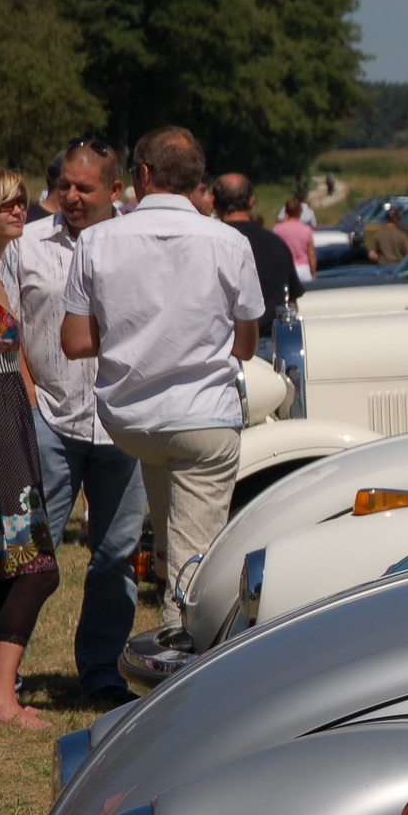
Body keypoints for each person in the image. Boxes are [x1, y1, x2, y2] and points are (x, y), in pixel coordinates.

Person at [60, 126, 261, 646]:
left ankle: (177, 624)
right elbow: (245, 345)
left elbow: (76, 342)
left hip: (131, 419)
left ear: (143, 176)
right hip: (202, 417)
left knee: (175, 532)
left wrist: (133, 331)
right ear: (198, 180)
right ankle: (185, 646)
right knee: (199, 552)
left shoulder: (97, 241)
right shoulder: (230, 242)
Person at [2, 140, 147, 704]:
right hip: (52, 419)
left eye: (84, 188)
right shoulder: (30, 245)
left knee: (115, 556)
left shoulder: (136, 245)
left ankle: (102, 672)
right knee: (29, 551)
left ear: (117, 191)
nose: (70, 196)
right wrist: (30, 397)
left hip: (123, 424)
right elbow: (8, 324)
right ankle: (2, 674)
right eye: (64, 185)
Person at [0, 165, 57, 728]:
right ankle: (2, 698)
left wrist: (29, 401)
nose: (20, 211)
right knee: (35, 565)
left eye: (23, 201)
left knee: (3, 561)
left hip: (8, 417)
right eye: (6, 203)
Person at [214, 174, 304, 333]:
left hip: (228, 345)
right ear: (252, 201)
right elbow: (291, 300)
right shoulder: (277, 243)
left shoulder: (213, 245)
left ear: (214, 203)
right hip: (271, 340)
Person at [272, 196, 315, 281]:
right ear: (299, 212)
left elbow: (274, 252)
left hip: (286, 267)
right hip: (303, 268)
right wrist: (313, 273)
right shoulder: (306, 229)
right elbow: (311, 253)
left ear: (286, 211)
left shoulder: (277, 229)